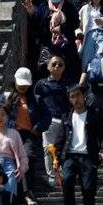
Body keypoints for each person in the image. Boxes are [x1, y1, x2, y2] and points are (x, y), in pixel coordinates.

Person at [3, 67, 50, 205]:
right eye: (20, 84)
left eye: (25, 85)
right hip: (11, 134)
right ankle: (18, 197)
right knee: (12, 164)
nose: (23, 87)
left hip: (28, 135)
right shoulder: (6, 98)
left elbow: (47, 117)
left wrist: (37, 128)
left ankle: (28, 192)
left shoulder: (36, 99)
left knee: (28, 158)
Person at [60, 84, 103, 205]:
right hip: (70, 155)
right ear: (69, 99)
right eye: (72, 97)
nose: (76, 99)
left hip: (88, 156)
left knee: (88, 189)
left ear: (84, 96)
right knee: (67, 181)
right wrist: (56, 156)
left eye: (78, 95)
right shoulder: (67, 116)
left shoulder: (95, 114)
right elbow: (61, 138)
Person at [34, 54, 70, 186]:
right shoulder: (41, 84)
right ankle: (51, 176)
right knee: (48, 149)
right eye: (54, 64)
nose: (57, 66)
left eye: (60, 64)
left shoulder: (67, 84)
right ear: (48, 67)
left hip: (65, 121)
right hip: (49, 120)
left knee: (63, 148)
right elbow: (36, 102)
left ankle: (61, 172)